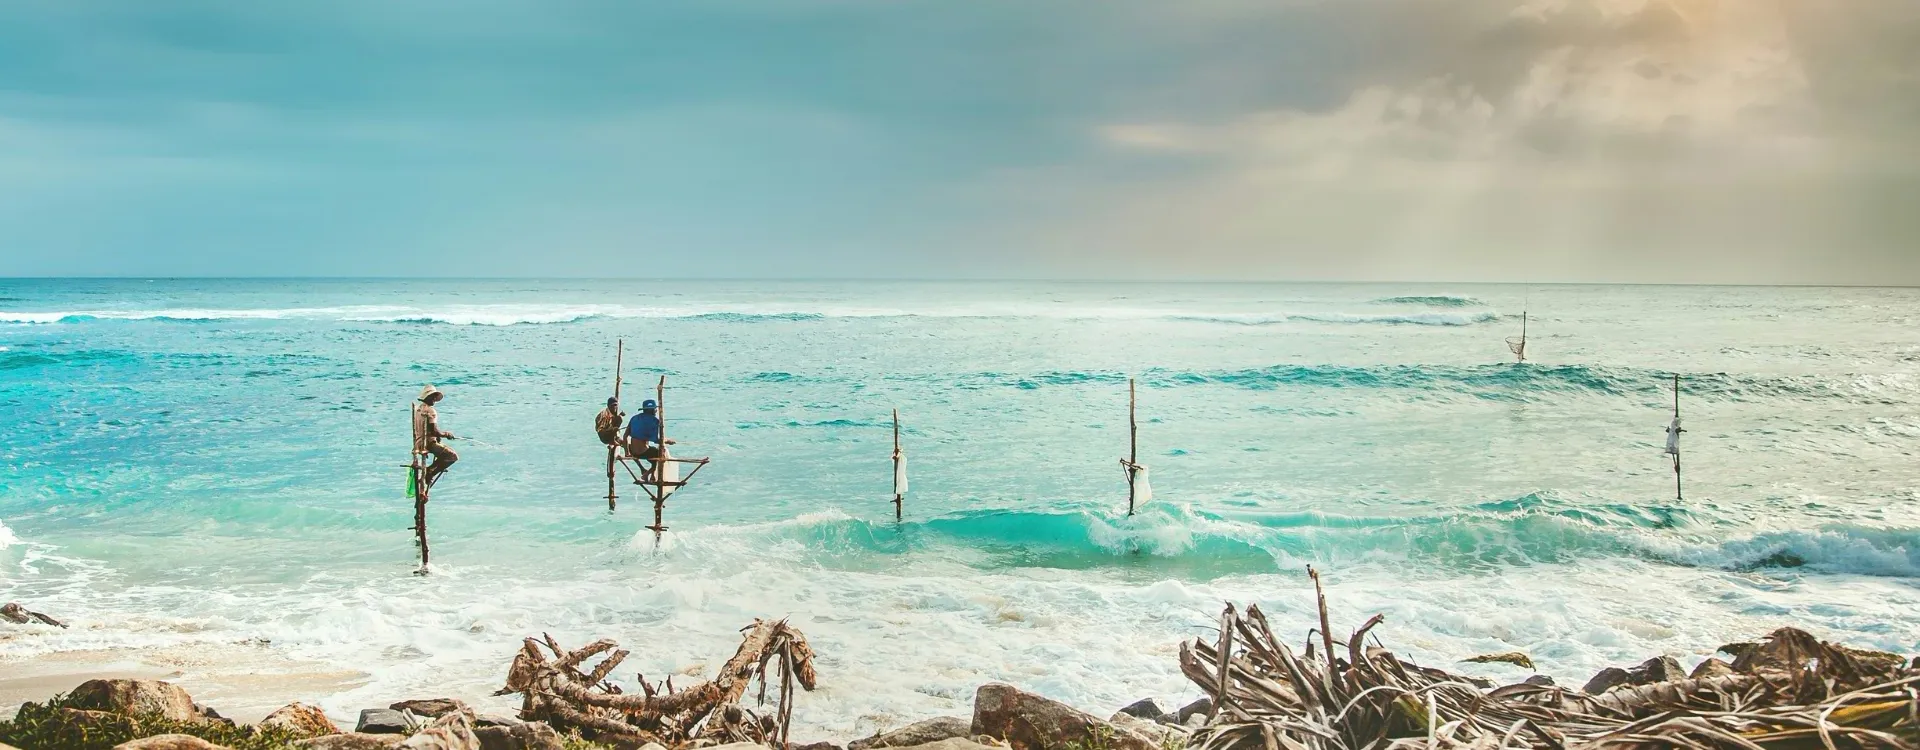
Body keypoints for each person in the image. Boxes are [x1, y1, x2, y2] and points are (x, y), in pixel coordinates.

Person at [412, 385, 458, 488]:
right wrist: (446, 434)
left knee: (444, 453)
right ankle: (431, 471)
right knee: (452, 456)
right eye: (432, 396)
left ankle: (429, 470)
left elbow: (427, 429)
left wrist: (437, 436)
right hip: (428, 443)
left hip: (418, 443)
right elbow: (434, 431)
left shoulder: (418, 409)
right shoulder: (431, 411)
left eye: (434, 397)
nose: (434, 399)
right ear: (427, 397)